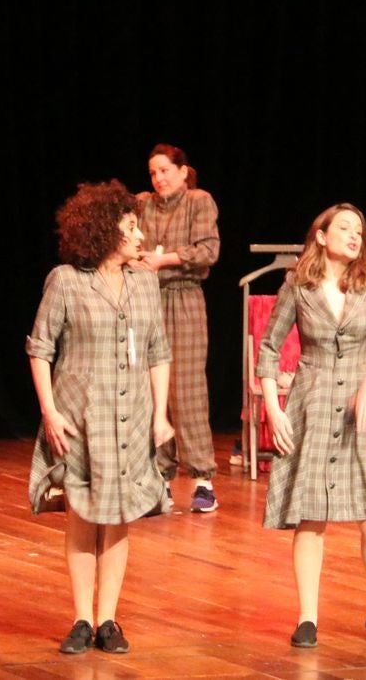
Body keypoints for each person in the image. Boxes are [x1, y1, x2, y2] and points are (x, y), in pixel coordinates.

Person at [255, 202, 366, 648]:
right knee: (312, 513)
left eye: (360, 231)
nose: (354, 236)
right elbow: (269, 348)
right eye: (344, 227)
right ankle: (308, 616)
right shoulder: (298, 285)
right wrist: (273, 404)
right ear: (321, 237)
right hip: (311, 400)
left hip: (360, 409)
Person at [26, 180, 174, 655]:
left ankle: (109, 618)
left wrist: (161, 415)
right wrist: (49, 410)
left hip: (130, 418)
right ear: (103, 232)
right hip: (80, 417)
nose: (140, 237)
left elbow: (158, 351)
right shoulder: (66, 280)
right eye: (131, 228)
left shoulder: (145, 281)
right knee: (82, 517)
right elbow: (40, 348)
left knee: (118, 518)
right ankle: (82, 619)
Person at [135, 143, 221, 512]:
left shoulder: (198, 200)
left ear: (183, 171)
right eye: (153, 172)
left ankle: (203, 480)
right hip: (147, 302)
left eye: (165, 170)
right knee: (152, 392)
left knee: (186, 389)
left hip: (184, 299)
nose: (159, 179)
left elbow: (207, 251)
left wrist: (163, 260)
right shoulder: (142, 204)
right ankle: (160, 477)